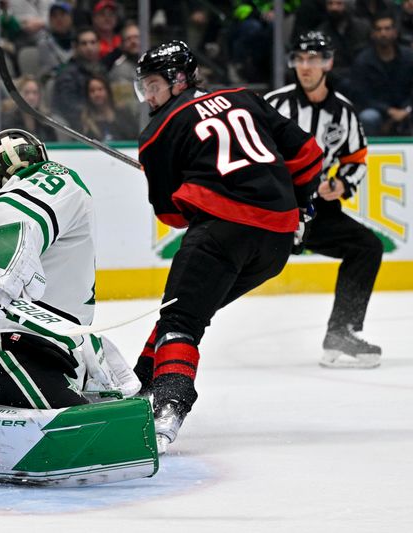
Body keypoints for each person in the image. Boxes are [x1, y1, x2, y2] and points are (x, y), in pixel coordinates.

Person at [132, 41, 324, 453]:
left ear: (178, 81)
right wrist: (302, 206)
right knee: (185, 309)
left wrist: (178, 172)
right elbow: (308, 156)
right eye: (143, 87)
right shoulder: (245, 98)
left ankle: (168, 406)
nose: (148, 96)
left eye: (152, 85)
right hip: (276, 241)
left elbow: (173, 215)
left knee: (181, 320)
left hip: (221, 233)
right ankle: (137, 384)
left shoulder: (158, 133)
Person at [0, 128, 138, 408]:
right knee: (92, 430)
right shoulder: (58, 179)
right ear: (42, 156)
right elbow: (10, 215)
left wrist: (86, 346)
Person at [265, 31, 384, 370]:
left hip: (317, 211)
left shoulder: (344, 112)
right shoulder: (276, 104)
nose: (306, 66)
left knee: (366, 247)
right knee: (233, 263)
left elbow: (357, 157)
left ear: (328, 63)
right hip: (276, 208)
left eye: (314, 59)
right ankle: (183, 330)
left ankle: (340, 331)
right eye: (300, 59)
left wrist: (342, 184)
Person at [350, 13, 413, 136]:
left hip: (407, 109)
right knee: (368, 118)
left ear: (395, 32)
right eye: (379, 29)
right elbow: (362, 96)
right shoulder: (363, 61)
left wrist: (406, 109)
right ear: (373, 34)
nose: (383, 33)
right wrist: (389, 111)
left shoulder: (411, 58)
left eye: (387, 29)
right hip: (377, 110)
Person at [52, 27, 104, 130]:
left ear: (99, 45)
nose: (89, 47)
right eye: (84, 43)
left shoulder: (102, 70)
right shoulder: (67, 74)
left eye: (93, 42)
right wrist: (92, 113)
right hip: (78, 128)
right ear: (75, 47)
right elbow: (67, 105)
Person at [80, 74, 137, 141]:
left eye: (100, 89)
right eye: (92, 91)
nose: (97, 94)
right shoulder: (85, 120)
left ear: (108, 91)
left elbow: (134, 137)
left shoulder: (123, 114)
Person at [1, 75, 57, 142]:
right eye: (26, 92)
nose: (31, 97)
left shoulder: (46, 123)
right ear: (17, 96)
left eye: (35, 92)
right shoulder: (8, 121)